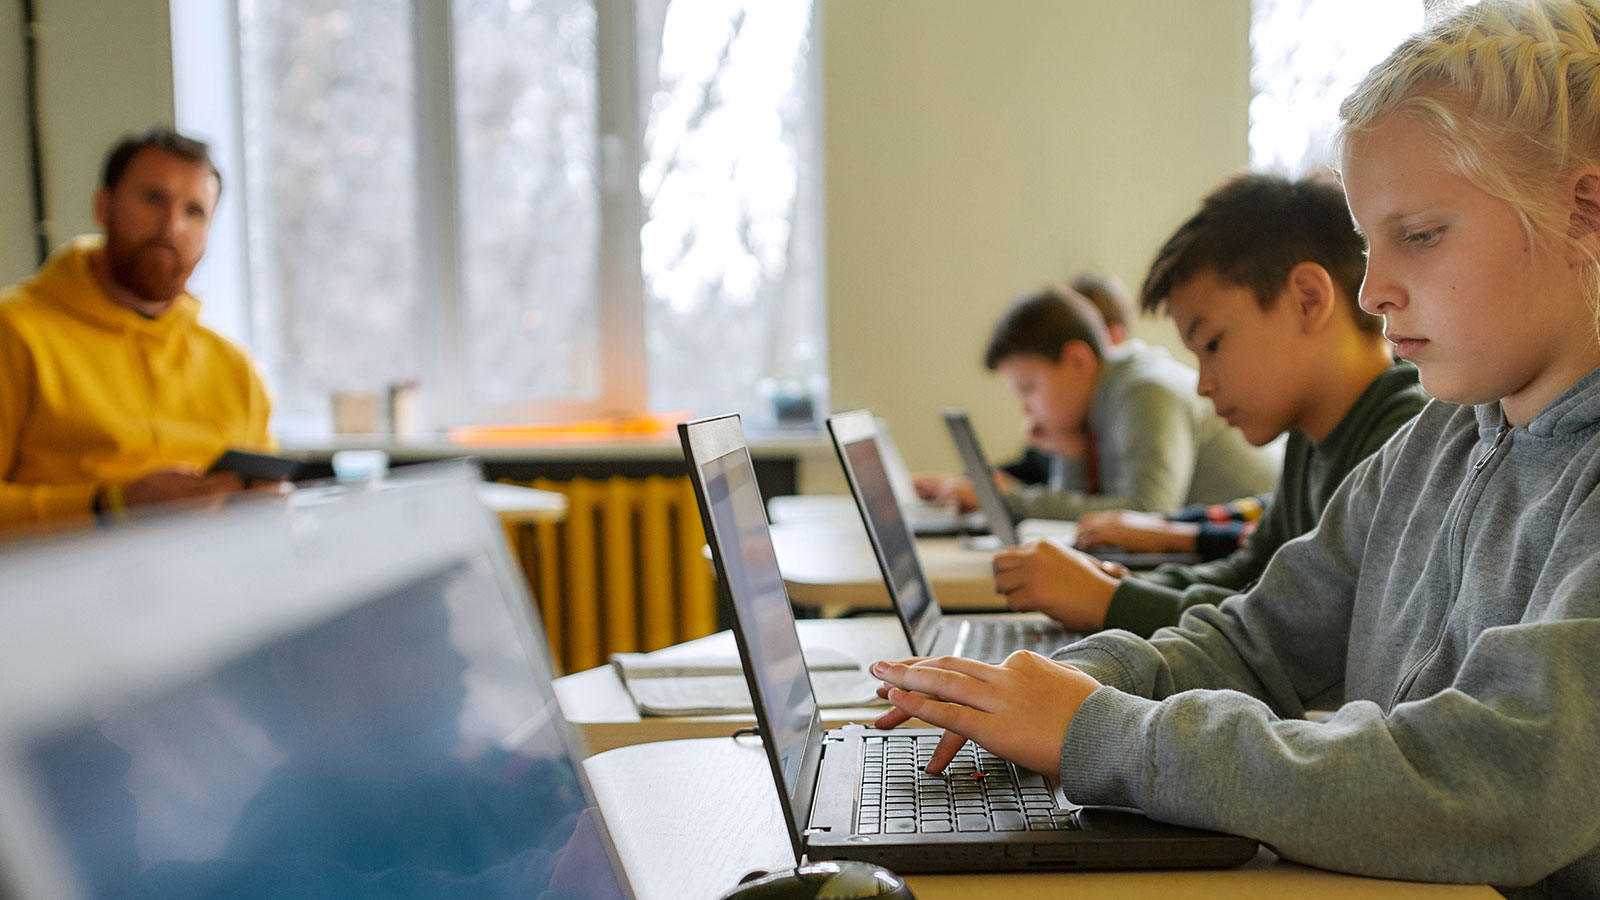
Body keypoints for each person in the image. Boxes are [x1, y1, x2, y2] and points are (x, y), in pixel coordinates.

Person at [871, 2, 1600, 894]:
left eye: (1418, 235)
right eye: (1369, 246)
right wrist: (1053, 688)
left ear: (1585, 214)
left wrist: (1106, 735)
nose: (1373, 292)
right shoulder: (1433, 443)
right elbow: (1255, 642)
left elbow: (1499, 781)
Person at [994, 174, 1430, 635]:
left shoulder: (1403, 441)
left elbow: (1304, 632)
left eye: (1213, 344)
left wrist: (1112, 602)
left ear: (1307, 301)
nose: (1202, 385)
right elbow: (1251, 575)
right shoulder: (1312, 436)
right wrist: (1124, 585)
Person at [0, 127, 272, 529]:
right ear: (103, 206)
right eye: (152, 198)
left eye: (194, 211)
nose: (171, 226)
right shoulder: (14, 330)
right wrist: (107, 506)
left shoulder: (234, 367)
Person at [916, 286, 1279, 522]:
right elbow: (1085, 516)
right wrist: (1071, 454)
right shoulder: (1099, 404)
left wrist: (1006, 501)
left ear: (1077, 361)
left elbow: (1146, 515)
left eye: (1029, 388)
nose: (1025, 409)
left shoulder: (1144, 391)